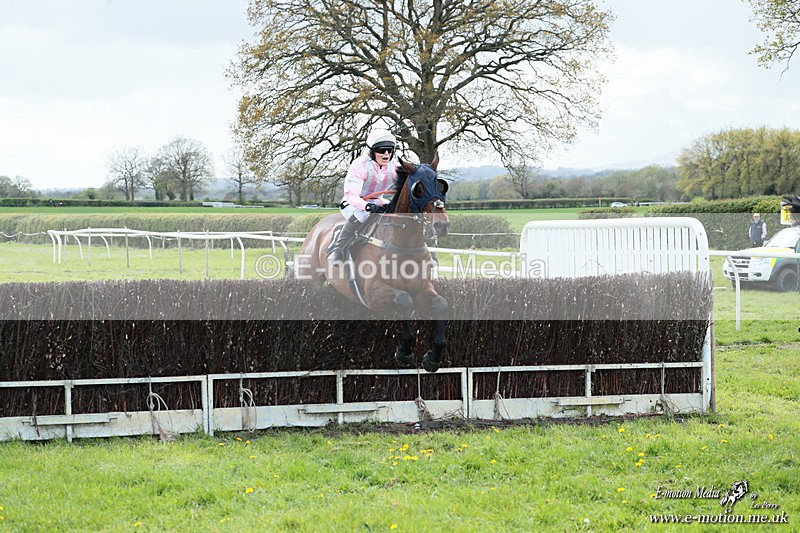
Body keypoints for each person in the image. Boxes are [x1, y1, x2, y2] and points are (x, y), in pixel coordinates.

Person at [327, 128, 399, 264]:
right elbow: (351, 195)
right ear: (372, 151)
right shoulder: (360, 165)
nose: (386, 154)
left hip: (378, 202)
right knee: (363, 214)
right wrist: (367, 206)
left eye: (390, 150)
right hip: (353, 204)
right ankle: (338, 250)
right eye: (382, 150)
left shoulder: (394, 166)